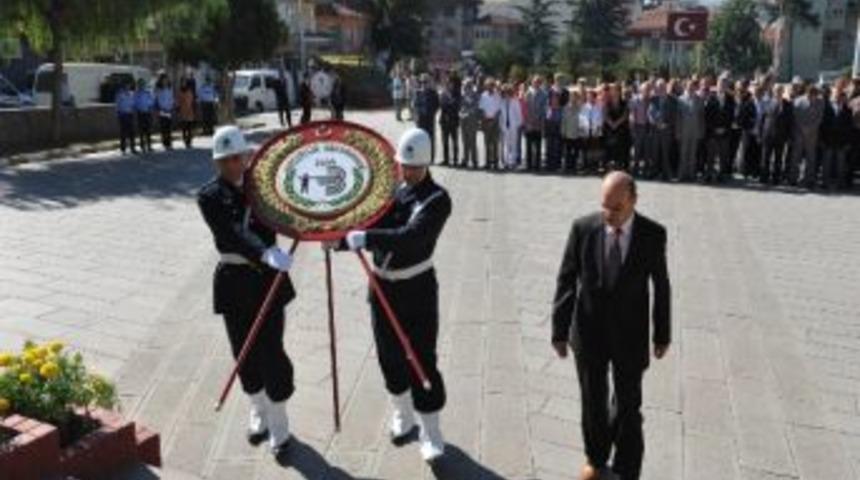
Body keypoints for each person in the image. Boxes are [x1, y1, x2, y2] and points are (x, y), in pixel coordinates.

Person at [335, 128, 452, 464]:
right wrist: (338, 239)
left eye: (413, 166)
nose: (406, 171)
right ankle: (402, 412)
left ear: (426, 164)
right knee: (388, 354)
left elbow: (409, 237)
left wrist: (365, 238)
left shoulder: (438, 199)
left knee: (422, 357)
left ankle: (431, 430)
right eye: (403, 165)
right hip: (382, 286)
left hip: (417, 288)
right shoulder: (395, 192)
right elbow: (367, 221)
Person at [552, 171, 671, 480]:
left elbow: (661, 285)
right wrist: (559, 329)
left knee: (629, 406)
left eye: (616, 208)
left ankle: (627, 470)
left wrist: (662, 333)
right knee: (593, 401)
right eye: (604, 206)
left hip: (630, 333)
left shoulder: (652, 234)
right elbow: (567, 279)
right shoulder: (583, 228)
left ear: (633, 201)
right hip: (589, 330)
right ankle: (596, 458)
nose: (608, 215)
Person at [197, 126, 296, 460]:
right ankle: (258, 408)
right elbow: (232, 232)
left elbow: (292, 213)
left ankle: (279, 419)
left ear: (246, 157)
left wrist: (320, 229)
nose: (228, 166)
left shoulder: (265, 189)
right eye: (222, 161)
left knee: (272, 350)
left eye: (234, 159)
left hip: (268, 282)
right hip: (234, 281)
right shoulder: (209, 196)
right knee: (243, 350)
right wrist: (263, 251)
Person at [790, 83, 824, 188]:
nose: (812, 97)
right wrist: (803, 128)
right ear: (807, 93)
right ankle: (793, 178)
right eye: (810, 95)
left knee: (811, 158)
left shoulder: (820, 102)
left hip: (812, 134)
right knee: (796, 157)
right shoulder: (798, 101)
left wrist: (811, 128)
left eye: (814, 95)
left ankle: (809, 179)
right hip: (799, 133)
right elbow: (795, 116)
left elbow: (819, 117)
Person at [703, 78, 736, 182]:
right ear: (717, 85)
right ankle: (709, 174)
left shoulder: (730, 99)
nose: (722, 86)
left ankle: (721, 176)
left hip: (725, 132)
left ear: (726, 87)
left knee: (723, 156)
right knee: (710, 156)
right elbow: (707, 116)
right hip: (712, 132)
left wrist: (724, 128)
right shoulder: (710, 98)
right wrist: (714, 129)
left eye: (724, 85)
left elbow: (731, 117)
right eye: (720, 84)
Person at [759, 84, 792, 185]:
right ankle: (764, 177)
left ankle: (776, 178)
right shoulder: (767, 102)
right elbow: (762, 119)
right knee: (765, 158)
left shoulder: (787, 104)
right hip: (768, 135)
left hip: (781, 136)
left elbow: (790, 122)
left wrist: (788, 136)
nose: (778, 92)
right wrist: (760, 134)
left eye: (780, 90)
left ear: (783, 92)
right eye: (776, 90)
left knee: (778, 158)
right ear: (773, 91)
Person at [647, 80, 677, 180]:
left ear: (666, 87)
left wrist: (666, 124)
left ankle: (665, 174)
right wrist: (656, 123)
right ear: (656, 88)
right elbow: (650, 113)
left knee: (666, 153)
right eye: (659, 87)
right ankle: (654, 172)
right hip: (655, 130)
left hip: (667, 130)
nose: (661, 88)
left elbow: (674, 116)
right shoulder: (653, 99)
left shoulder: (672, 100)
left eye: (663, 86)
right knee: (654, 152)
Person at [676, 80, 704, 181]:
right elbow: (678, 118)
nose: (690, 88)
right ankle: (682, 175)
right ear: (685, 87)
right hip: (683, 131)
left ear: (695, 88)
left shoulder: (699, 99)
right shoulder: (680, 99)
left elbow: (701, 117)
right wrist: (678, 132)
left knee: (692, 154)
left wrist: (701, 131)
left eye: (692, 86)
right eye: (688, 86)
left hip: (695, 130)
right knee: (683, 153)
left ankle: (691, 175)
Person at [603, 83, 631, 172]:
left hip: (622, 129)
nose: (614, 92)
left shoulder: (624, 102)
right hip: (610, 130)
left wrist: (616, 124)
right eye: (612, 90)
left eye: (616, 90)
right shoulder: (608, 103)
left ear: (619, 91)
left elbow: (625, 115)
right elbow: (605, 115)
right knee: (611, 148)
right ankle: (610, 167)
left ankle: (622, 167)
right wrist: (611, 124)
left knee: (622, 148)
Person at [413, 73, 440, 163]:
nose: (424, 84)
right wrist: (417, 115)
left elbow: (437, 105)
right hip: (420, 120)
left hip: (429, 119)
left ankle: (430, 158)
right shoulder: (418, 92)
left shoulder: (433, 93)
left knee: (430, 139)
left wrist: (432, 113)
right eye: (422, 82)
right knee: (420, 139)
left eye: (426, 82)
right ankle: (421, 157)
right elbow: (415, 106)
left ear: (429, 82)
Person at [524, 75, 548, 170]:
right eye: (535, 81)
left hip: (538, 123)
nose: (536, 83)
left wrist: (538, 119)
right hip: (529, 122)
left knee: (538, 144)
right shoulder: (527, 93)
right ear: (532, 82)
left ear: (540, 83)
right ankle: (529, 164)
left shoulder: (544, 94)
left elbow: (544, 109)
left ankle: (537, 165)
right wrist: (528, 119)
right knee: (528, 145)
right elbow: (525, 107)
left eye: (538, 82)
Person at [499, 83, 524, 169]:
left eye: (507, 92)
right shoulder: (501, 102)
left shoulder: (515, 101)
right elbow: (500, 115)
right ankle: (506, 162)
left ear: (510, 92)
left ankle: (513, 162)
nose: (506, 94)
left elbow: (519, 114)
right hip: (505, 126)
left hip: (513, 125)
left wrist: (517, 124)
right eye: (504, 92)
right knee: (506, 144)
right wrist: (501, 125)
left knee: (514, 144)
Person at [479, 78, 502, 169]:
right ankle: (488, 162)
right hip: (486, 121)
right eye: (488, 85)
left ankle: (496, 163)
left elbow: (499, 110)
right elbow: (481, 108)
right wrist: (485, 117)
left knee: (495, 143)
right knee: (487, 143)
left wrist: (494, 119)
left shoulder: (497, 96)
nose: (490, 87)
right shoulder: (483, 95)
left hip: (495, 122)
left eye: (491, 85)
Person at [459, 78, 481, 169]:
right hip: (463, 119)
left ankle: (475, 161)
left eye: (468, 85)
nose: (466, 87)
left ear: (471, 85)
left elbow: (476, 107)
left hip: (472, 120)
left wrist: (467, 112)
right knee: (465, 141)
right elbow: (460, 106)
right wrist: (460, 112)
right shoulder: (462, 95)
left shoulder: (475, 95)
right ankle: (465, 160)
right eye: (464, 85)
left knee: (472, 141)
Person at [561, 88, 583, 173]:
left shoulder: (580, 107)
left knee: (576, 151)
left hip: (577, 133)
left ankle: (574, 167)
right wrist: (563, 131)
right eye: (571, 96)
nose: (573, 98)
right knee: (567, 151)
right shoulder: (566, 107)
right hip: (568, 132)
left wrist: (582, 132)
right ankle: (567, 167)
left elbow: (582, 120)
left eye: (575, 96)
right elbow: (563, 121)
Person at [439, 78, 460, 166]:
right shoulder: (443, 94)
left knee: (455, 141)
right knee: (445, 141)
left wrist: (448, 103)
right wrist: (448, 103)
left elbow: (456, 105)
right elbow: (441, 105)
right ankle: (446, 159)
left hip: (454, 120)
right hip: (444, 120)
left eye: (450, 84)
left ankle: (455, 160)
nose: (449, 85)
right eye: (447, 84)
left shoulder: (457, 94)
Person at [115, 80, 137, 155]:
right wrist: (118, 113)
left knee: (132, 132)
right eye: (127, 85)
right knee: (123, 132)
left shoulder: (132, 93)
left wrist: (133, 110)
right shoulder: (120, 94)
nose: (128, 86)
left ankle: (133, 147)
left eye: (129, 85)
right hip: (123, 114)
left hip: (130, 113)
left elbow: (133, 103)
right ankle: (123, 148)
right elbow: (117, 104)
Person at [155, 74, 175, 150]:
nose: (165, 81)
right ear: (161, 80)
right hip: (162, 109)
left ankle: (169, 143)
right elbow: (156, 99)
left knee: (168, 126)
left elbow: (171, 98)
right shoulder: (158, 89)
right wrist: (159, 108)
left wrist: (171, 106)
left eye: (166, 79)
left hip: (168, 109)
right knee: (163, 126)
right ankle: (164, 143)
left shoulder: (170, 88)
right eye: (163, 80)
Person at [134, 79, 155, 153]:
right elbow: (135, 103)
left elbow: (152, 101)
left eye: (142, 84)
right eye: (140, 84)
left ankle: (149, 145)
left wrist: (150, 107)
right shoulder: (136, 93)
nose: (141, 85)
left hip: (148, 112)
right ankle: (142, 145)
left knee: (148, 130)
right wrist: (138, 109)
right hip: (140, 113)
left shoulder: (148, 92)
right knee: (141, 131)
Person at [177, 79, 196, 149]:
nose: (183, 84)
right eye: (182, 83)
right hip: (183, 111)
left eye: (184, 83)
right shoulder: (180, 91)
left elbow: (192, 101)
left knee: (189, 128)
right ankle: (185, 140)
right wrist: (178, 109)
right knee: (184, 128)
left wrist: (194, 108)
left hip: (190, 111)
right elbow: (178, 101)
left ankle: (189, 141)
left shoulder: (189, 91)